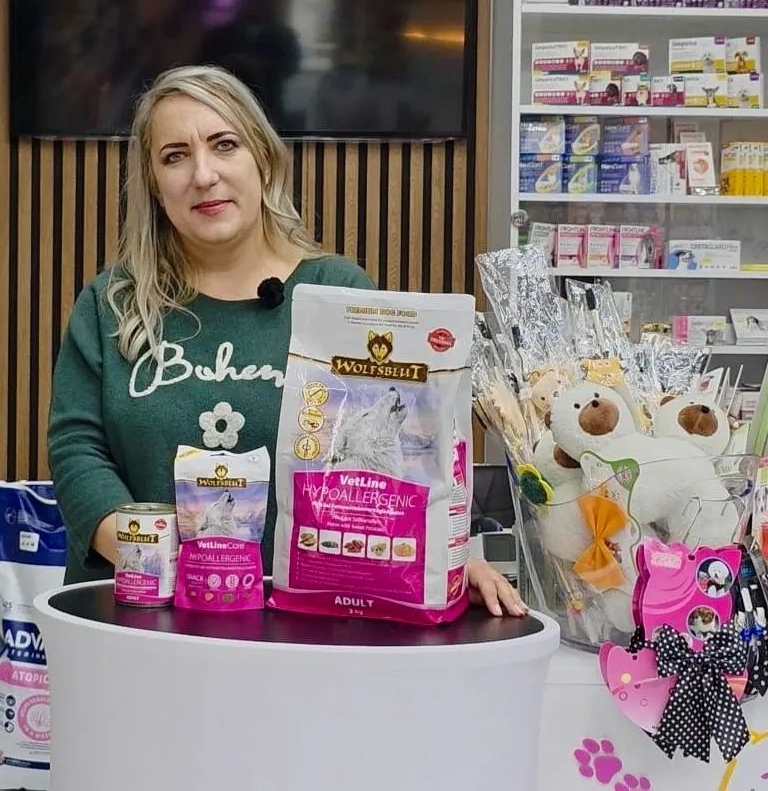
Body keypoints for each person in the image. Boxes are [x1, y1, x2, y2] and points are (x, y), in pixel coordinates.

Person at [46, 65, 526, 616]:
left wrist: (443, 556)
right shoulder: (113, 302)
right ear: (154, 184)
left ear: (264, 159)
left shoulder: (339, 293)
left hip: (301, 621)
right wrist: (156, 560)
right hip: (139, 612)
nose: (203, 174)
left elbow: (387, 463)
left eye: (225, 145)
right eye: (174, 156)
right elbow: (76, 449)